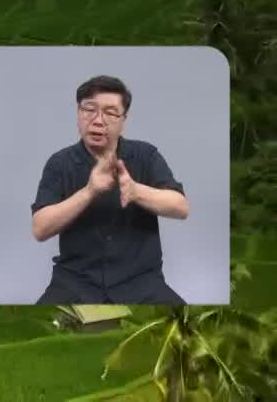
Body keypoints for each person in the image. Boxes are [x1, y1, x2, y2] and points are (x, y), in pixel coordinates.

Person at [30, 75, 190, 304]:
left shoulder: (146, 155)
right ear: (78, 114)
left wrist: (135, 191)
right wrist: (89, 191)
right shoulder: (59, 163)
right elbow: (40, 228)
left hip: (142, 283)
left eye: (110, 113)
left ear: (123, 120)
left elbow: (181, 207)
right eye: (89, 109)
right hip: (75, 283)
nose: (98, 120)